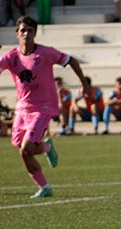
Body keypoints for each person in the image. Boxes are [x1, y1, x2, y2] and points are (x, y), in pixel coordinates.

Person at [0, 16, 89, 198]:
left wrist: (84, 84)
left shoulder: (46, 53)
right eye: (22, 30)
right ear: (17, 34)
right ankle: (45, 181)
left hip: (44, 106)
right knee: (24, 151)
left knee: (26, 148)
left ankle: (45, 169)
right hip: (22, 109)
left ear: (35, 33)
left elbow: (71, 60)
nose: (26, 33)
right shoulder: (11, 57)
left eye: (30, 30)